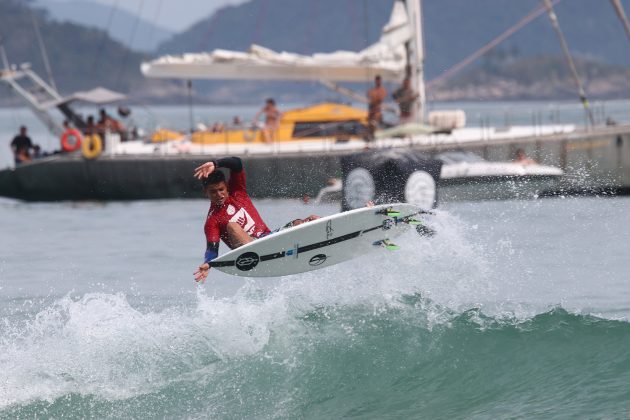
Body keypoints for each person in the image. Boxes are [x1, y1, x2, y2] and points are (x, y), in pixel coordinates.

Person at [193, 157, 318, 282]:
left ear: (226, 186)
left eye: (221, 189)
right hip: (250, 254)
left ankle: (323, 239)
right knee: (232, 226)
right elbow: (212, 249)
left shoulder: (238, 192)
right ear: (206, 192)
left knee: (308, 220)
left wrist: (216, 164)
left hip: (268, 238)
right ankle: (259, 251)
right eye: (213, 192)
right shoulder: (213, 221)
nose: (219, 194)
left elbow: (236, 163)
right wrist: (208, 263)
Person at [366, 75, 387, 140]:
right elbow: (368, 95)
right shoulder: (372, 90)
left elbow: (380, 98)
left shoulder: (382, 90)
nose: (378, 82)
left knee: (374, 124)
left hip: (377, 111)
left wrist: (374, 99)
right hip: (372, 111)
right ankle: (370, 137)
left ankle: (375, 136)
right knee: (370, 125)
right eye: (377, 80)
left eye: (379, 80)